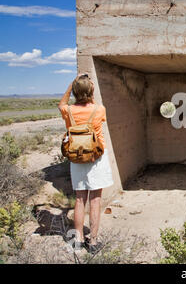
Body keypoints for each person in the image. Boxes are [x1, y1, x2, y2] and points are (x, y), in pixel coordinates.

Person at [58, 73, 113, 253]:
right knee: (95, 200)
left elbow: (61, 104)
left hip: (77, 158)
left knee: (80, 199)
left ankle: (79, 238)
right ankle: (94, 241)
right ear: (91, 90)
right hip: (96, 158)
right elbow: (95, 106)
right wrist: (89, 88)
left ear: (74, 91)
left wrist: (72, 84)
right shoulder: (99, 109)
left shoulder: (69, 111)